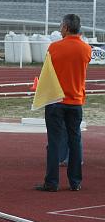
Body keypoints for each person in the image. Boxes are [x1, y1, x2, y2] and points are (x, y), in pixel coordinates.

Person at [36, 14, 91, 192]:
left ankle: (52, 182)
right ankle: (75, 182)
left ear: (66, 28)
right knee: (75, 141)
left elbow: (47, 73)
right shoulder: (86, 49)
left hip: (56, 100)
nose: (60, 29)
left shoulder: (54, 48)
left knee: (54, 142)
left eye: (61, 26)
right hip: (76, 101)